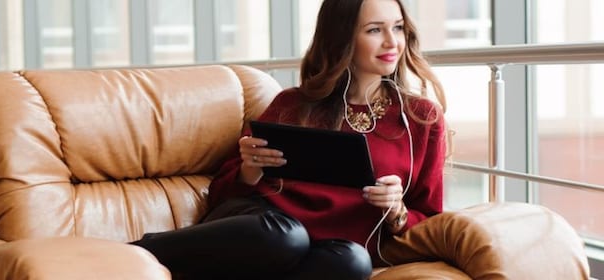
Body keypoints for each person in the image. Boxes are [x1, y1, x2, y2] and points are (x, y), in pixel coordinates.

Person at [130, 0, 447, 278]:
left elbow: (430, 219)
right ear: (342, 37)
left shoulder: (421, 119)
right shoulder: (293, 103)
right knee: (286, 236)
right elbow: (220, 196)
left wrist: (397, 210)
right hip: (263, 228)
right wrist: (250, 169)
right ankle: (135, 250)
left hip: (328, 248)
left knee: (353, 262)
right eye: (375, 30)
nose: (392, 41)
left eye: (398, 27)